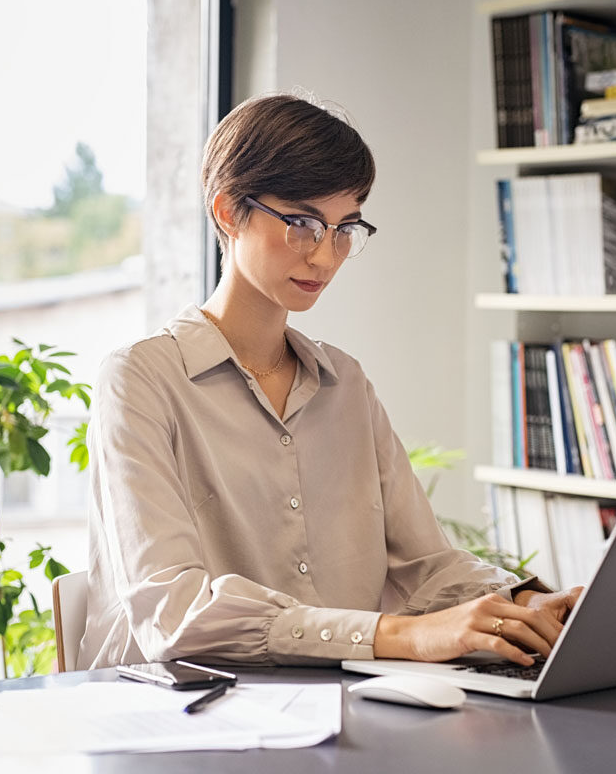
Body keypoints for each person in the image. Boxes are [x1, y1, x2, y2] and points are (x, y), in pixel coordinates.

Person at [79, 92, 581, 670]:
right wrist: (405, 636)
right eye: (302, 223)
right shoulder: (139, 380)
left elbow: (426, 565)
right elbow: (176, 614)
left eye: (345, 228)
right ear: (226, 211)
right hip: (181, 723)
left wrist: (529, 604)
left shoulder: (346, 384)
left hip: (337, 711)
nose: (325, 255)